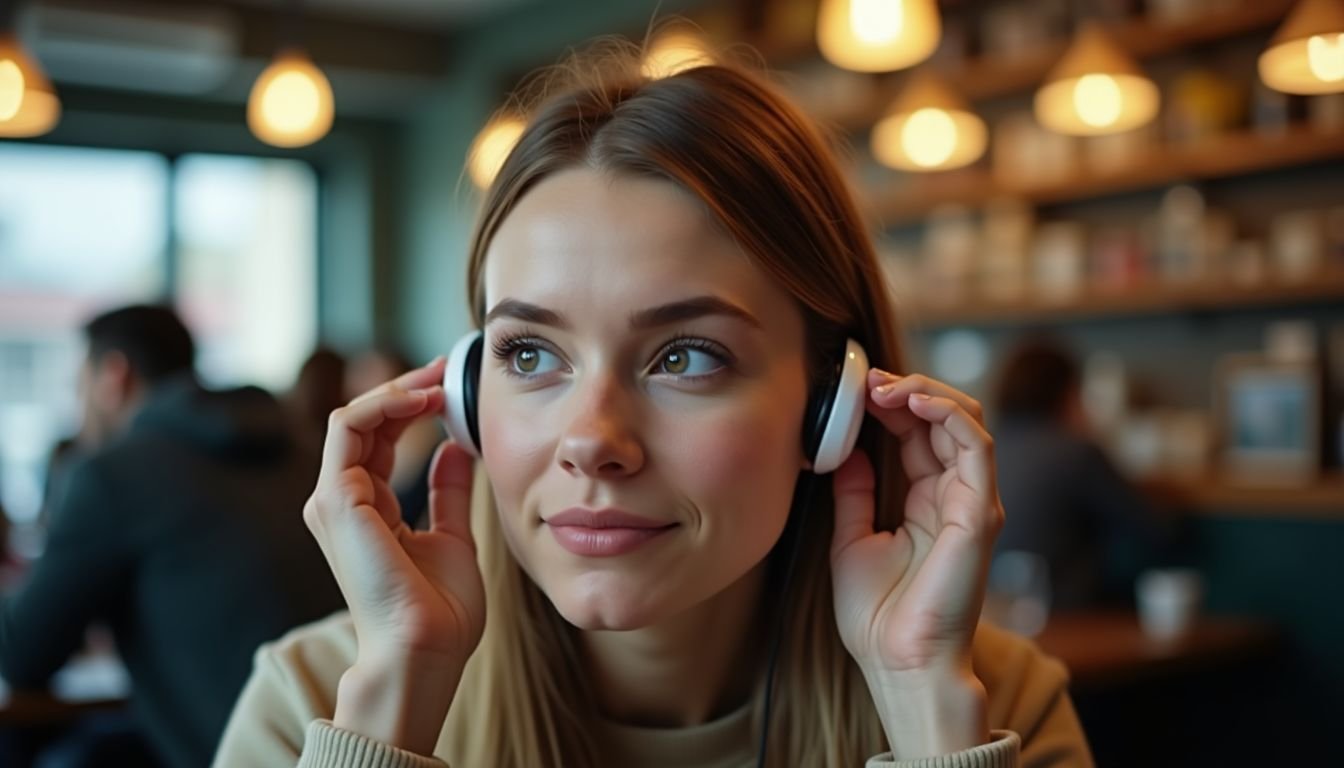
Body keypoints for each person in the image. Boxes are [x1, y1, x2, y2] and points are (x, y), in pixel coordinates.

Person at [214, 43, 1093, 767]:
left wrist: (922, 709)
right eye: (530, 353)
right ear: (468, 398)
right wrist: (394, 706)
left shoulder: (988, 706)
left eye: (685, 356)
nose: (593, 443)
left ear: (835, 404)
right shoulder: (314, 706)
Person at [0, 305, 344, 768]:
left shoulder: (114, 475)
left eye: (79, 384)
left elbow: (23, 655)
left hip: (241, 753)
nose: (76, 406)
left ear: (114, 376)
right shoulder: (303, 452)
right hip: (353, 742)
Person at [990, 337, 1168, 611]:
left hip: (992, 617)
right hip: (1068, 617)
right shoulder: (1076, 452)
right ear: (1068, 393)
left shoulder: (986, 447)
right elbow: (1155, 531)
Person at [345, 344, 444, 528]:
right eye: (358, 378)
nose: (363, 388)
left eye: (370, 375)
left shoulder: (426, 437)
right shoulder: (359, 445)